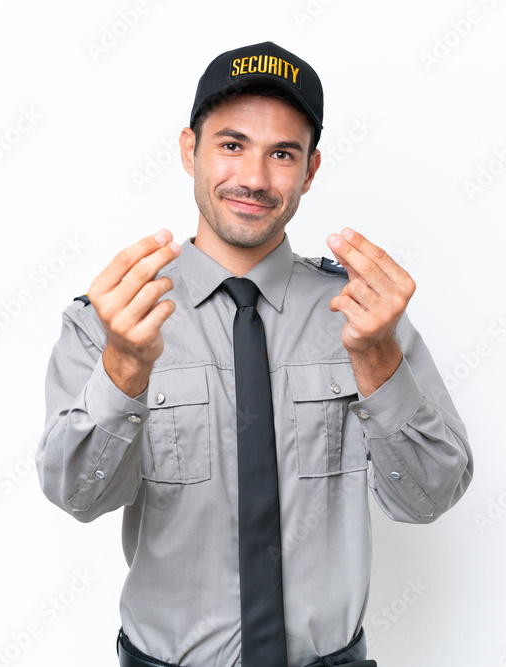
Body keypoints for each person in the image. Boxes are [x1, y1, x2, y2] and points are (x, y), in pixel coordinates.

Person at [36, 41, 473, 667]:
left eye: (282, 154)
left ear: (311, 169)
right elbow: (78, 497)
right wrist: (126, 366)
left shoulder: (364, 315)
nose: (254, 179)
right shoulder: (110, 318)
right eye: (232, 144)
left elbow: (429, 498)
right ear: (191, 149)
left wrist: (377, 358)